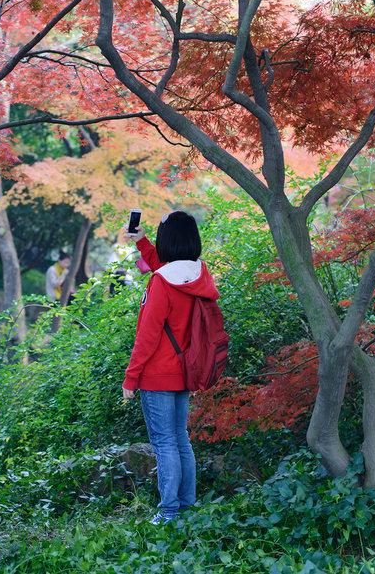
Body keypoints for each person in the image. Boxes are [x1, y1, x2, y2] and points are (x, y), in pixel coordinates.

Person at [121, 211, 220, 524]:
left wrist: (130, 378)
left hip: (157, 375)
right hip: (185, 372)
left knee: (164, 445)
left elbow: (146, 337)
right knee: (180, 440)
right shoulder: (199, 275)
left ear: (168, 240)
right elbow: (168, 269)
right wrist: (142, 243)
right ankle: (187, 507)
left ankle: (168, 512)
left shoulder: (161, 282)